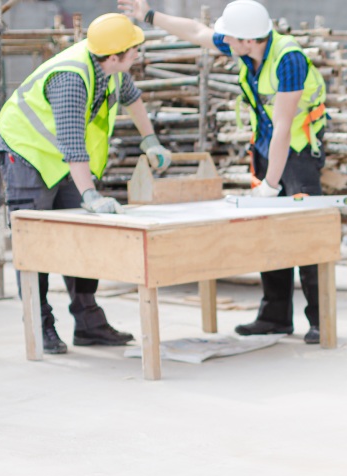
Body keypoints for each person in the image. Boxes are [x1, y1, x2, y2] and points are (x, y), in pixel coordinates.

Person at [120, 0, 328, 344]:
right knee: (269, 232)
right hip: (266, 148)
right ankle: (275, 316)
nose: (224, 42)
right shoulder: (247, 46)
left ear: (247, 40)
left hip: (299, 151)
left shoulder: (289, 59)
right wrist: (149, 16)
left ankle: (321, 319)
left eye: (229, 38)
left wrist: (270, 184)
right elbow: (196, 31)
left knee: (306, 233)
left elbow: (284, 127)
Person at [0, 13, 172, 354]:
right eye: (134, 49)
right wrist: (89, 193)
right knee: (36, 243)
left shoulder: (109, 69)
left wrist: (150, 140)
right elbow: (72, 142)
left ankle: (89, 323)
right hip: (28, 155)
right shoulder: (72, 80)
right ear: (114, 56)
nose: (139, 53)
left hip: (63, 161)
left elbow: (132, 97)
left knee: (81, 238)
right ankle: (40, 324)